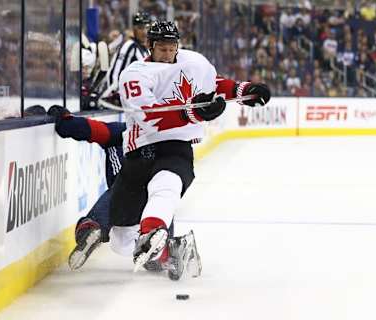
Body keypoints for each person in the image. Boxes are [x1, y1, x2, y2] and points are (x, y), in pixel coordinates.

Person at [108, 20, 270, 276]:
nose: (168, 53)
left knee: (168, 184)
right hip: (141, 149)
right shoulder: (135, 74)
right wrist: (194, 113)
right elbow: (149, 119)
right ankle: (162, 249)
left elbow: (214, 84)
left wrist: (244, 90)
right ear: (150, 46)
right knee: (121, 238)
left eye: (172, 47)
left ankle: (152, 232)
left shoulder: (193, 61)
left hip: (176, 146)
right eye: (161, 47)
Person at [106, 12, 151, 97]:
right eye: (140, 28)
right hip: (125, 100)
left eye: (147, 27)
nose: (145, 32)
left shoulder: (145, 50)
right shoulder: (129, 46)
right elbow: (114, 74)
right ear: (134, 29)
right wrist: (114, 95)